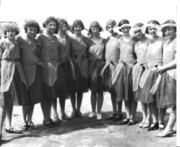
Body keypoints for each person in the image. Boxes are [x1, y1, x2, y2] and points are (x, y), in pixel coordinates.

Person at [0, 22, 29, 141]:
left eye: (13, 31)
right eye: (8, 31)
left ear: (16, 33)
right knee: (4, 100)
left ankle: (9, 125)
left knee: (11, 99)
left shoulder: (18, 43)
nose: (10, 33)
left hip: (17, 70)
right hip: (5, 69)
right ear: (5, 33)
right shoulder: (2, 43)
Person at [16, 20, 43, 130]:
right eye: (30, 29)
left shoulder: (37, 41)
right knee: (25, 98)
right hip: (23, 71)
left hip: (34, 71)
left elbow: (38, 55)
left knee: (33, 97)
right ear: (26, 29)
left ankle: (30, 120)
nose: (32, 32)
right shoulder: (20, 39)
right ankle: (23, 120)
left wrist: (39, 62)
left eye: (34, 30)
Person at [37, 16, 61, 127]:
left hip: (54, 69)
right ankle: (45, 118)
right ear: (45, 25)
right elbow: (36, 53)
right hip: (45, 69)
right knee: (45, 95)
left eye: (54, 25)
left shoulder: (55, 38)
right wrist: (41, 62)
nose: (52, 27)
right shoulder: (41, 37)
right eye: (50, 25)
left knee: (52, 94)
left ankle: (51, 117)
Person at [139, 20, 163, 130]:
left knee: (160, 97)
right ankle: (154, 121)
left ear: (158, 29)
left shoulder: (163, 40)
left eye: (154, 28)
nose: (152, 31)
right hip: (149, 71)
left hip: (160, 71)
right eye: (150, 29)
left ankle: (161, 121)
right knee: (150, 97)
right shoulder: (148, 42)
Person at [154, 20, 176, 137]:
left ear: (175, 29)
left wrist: (163, 67)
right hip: (166, 73)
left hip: (174, 75)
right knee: (170, 103)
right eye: (165, 30)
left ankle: (169, 129)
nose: (167, 32)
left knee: (174, 104)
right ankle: (170, 127)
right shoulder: (167, 42)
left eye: (169, 29)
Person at [113, 19, 137, 125]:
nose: (125, 30)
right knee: (125, 93)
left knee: (132, 93)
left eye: (127, 27)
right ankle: (127, 116)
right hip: (122, 68)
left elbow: (138, 54)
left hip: (132, 69)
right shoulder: (119, 40)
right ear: (121, 29)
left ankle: (133, 117)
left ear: (130, 28)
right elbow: (118, 54)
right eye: (123, 28)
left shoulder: (135, 39)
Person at [51, 18, 73, 121]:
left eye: (65, 25)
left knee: (64, 91)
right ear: (58, 27)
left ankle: (63, 112)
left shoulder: (69, 38)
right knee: (55, 91)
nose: (63, 27)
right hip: (56, 67)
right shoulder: (54, 38)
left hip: (67, 66)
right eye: (61, 26)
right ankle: (55, 114)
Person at [101, 19, 122, 121]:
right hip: (109, 67)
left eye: (112, 26)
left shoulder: (120, 38)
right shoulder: (108, 39)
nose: (111, 29)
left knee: (118, 90)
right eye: (108, 27)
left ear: (116, 26)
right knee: (112, 91)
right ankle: (114, 111)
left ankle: (119, 112)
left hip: (118, 67)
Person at [70, 19, 89, 118]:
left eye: (79, 26)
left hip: (83, 65)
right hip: (73, 65)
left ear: (82, 28)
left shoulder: (86, 39)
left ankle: (79, 109)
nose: (78, 28)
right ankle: (73, 109)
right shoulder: (70, 39)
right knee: (73, 89)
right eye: (76, 26)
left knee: (80, 89)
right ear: (73, 28)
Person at [131, 23, 149, 128]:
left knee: (147, 95)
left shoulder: (149, 41)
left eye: (139, 31)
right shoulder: (135, 43)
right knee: (141, 95)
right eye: (135, 32)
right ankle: (144, 117)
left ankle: (150, 119)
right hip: (138, 69)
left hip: (147, 69)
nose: (138, 33)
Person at [88, 21, 105, 120]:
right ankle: (93, 111)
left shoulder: (104, 40)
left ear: (99, 29)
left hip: (102, 67)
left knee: (100, 90)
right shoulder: (88, 41)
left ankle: (99, 111)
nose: (95, 30)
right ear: (91, 30)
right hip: (92, 67)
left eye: (96, 28)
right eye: (93, 28)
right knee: (93, 90)